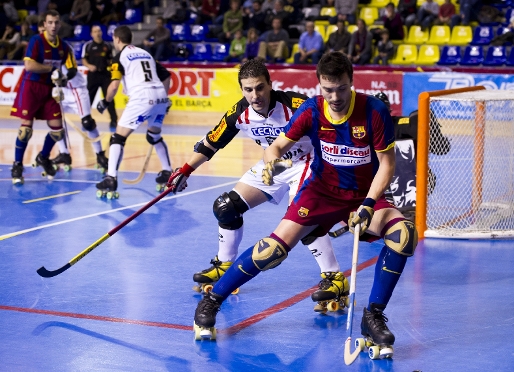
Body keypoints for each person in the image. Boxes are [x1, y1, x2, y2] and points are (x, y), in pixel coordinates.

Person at [192, 52, 418, 350]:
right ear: (319, 86)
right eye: (327, 89)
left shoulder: (373, 111)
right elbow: (277, 146)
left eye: (341, 88)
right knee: (270, 251)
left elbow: (386, 164)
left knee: (404, 236)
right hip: (320, 193)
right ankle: (212, 300)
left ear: (351, 82)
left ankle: (373, 316)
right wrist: (272, 162)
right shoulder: (312, 110)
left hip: (362, 197)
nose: (334, 96)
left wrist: (368, 204)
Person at [167, 58, 348, 312]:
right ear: (242, 89)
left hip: (308, 162)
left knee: (302, 219)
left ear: (270, 85)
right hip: (274, 165)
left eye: (260, 88)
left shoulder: (295, 104)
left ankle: (334, 278)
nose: (255, 95)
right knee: (225, 207)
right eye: (248, 89)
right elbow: (212, 142)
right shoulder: (239, 112)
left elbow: (334, 124)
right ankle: (225, 264)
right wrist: (185, 170)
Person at [95, 26, 173, 197]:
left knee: (118, 137)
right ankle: (168, 172)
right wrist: (164, 99)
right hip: (160, 95)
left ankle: (110, 178)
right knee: (153, 136)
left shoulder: (119, 57)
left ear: (117, 39)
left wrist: (105, 102)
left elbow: (114, 85)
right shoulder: (146, 53)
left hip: (142, 97)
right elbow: (167, 76)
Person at [10, 10, 77, 184]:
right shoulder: (36, 41)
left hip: (49, 90)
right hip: (32, 87)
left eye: (56, 22)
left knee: (58, 130)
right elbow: (29, 65)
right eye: (50, 22)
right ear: (45, 24)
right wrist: (51, 70)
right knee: (26, 129)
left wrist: (61, 81)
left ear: (60, 24)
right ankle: (17, 165)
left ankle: (43, 157)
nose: (53, 26)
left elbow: (63, 71)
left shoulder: (63, 47)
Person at [50, 41, 109, 172]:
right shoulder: (40, 49)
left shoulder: (64, 47)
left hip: (76, 88)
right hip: (61, 90)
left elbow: (72, 69)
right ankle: (64, 153)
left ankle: (100, 155)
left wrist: (64, 78)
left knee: (88, 123)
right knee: (54, 121)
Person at [82, 24, 118, 128]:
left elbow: (112, 59)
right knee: (89, 98)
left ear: (101, 33)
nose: (97, 33)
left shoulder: (108, 45)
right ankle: (86, 119)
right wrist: (89, 66)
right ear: (91, 34)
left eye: (99, 31)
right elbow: (84, 59)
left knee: (109, 97)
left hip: (105, 75)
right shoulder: (88, 46)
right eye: (95, 31)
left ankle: (114, 120)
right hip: (93, 75)